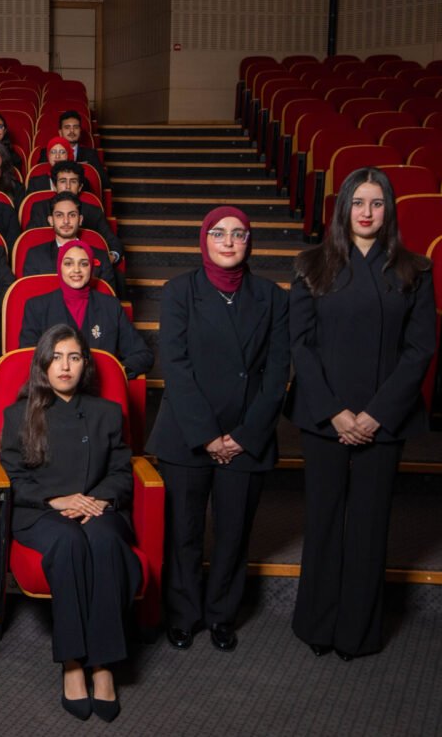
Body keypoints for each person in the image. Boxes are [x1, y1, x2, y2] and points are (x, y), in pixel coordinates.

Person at [290, 167, 435, 660]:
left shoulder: (416, 269)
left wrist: (375, 415)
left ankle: (357, 633)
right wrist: (335, 412)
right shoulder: (312, 265)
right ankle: (318, 625)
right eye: (358, 202)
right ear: (343, 208)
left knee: (370, 525)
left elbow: (420, 350)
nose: (367, 212)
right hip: (324, 414)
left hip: (385, 416)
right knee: (325, 520)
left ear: (388, 209)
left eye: (376, 203)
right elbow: (301, 346)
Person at [148, 207, 290, 653]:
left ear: (250, 242)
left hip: (247, 433)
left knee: (233, 534)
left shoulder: (272, 296)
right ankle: (184, 614)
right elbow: (176, 367)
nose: (229, 242)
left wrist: (244, 436)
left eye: (239, 234)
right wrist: (208, 435)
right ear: (204, 239)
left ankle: (222, 615)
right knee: (184, 532)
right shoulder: (178, 292)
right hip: (188, 432)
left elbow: (277, 371)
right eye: (219, 233)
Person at [0, 324, 138, 723]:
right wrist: (55, 500)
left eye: (74, 357)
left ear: (85, 366)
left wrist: (97, 500)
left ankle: (104, 664)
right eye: (57, 357)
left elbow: (122, 471)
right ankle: (74, 662)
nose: (65, 366)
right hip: (41, 512)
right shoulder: (20, 414)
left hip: (96, 508)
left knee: (104, 543)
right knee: (69, 543)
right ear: (43, 364)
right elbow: (13, 476)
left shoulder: (106, 413)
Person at [18, 241, 152, 378]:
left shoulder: (111, 306)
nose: (76, 270)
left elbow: (142, 354)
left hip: (98, 390)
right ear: (59, 267)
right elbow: (28, 358)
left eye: (84, 264)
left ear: (91, 268)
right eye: (69, 263)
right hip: (53, 390)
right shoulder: (36, 307)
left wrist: (117, 373)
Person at [22, 193, 122, 295]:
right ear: (51, 220)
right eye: (59, 215)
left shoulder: (101, 257)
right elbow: (31, 298)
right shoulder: (35, 256)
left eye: (72, 215)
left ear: (80, 220)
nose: (66, 221)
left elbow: (108, 302)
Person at [23, 161, 123, 263]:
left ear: (80, 187)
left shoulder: (93, 211)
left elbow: (113, 242)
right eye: (62, 181)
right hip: (46, 262)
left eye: (73, 181)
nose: (67, 186)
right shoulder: (40, 208)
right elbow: (31, 239)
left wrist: (109, 258)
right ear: (54, 185)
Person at [56, 110, 110, 193]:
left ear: (80, 131)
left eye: (76, 127)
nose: (72, 131)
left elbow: (104, 182)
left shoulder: (90, 154)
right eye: (67, 127)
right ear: (60, 132)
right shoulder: (48, 153)